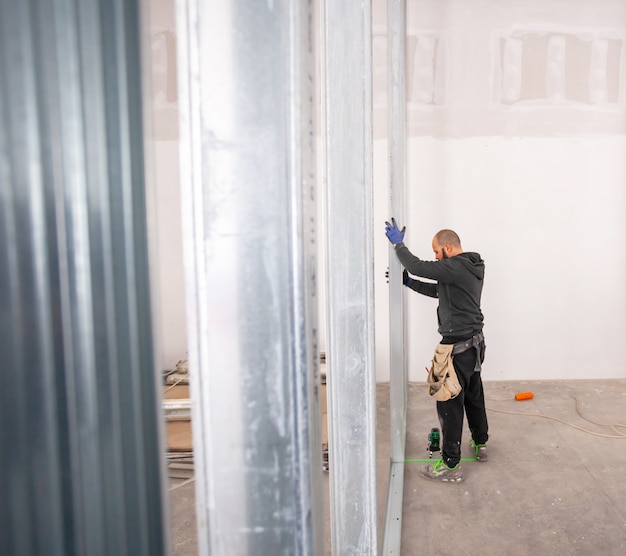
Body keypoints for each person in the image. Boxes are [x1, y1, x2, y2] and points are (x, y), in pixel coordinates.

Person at [385, 218, 489, 483]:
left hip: (457, 349)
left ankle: (450, 465)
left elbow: (418, 265)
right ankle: (481, 443)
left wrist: (399, 247)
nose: (435, 257)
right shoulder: (471, 266)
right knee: (472, 395)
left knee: (449, 403)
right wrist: (409, 283)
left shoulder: (455, 266)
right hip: (474, 345)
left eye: (436, 251)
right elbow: (439, 291)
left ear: (448, 247)